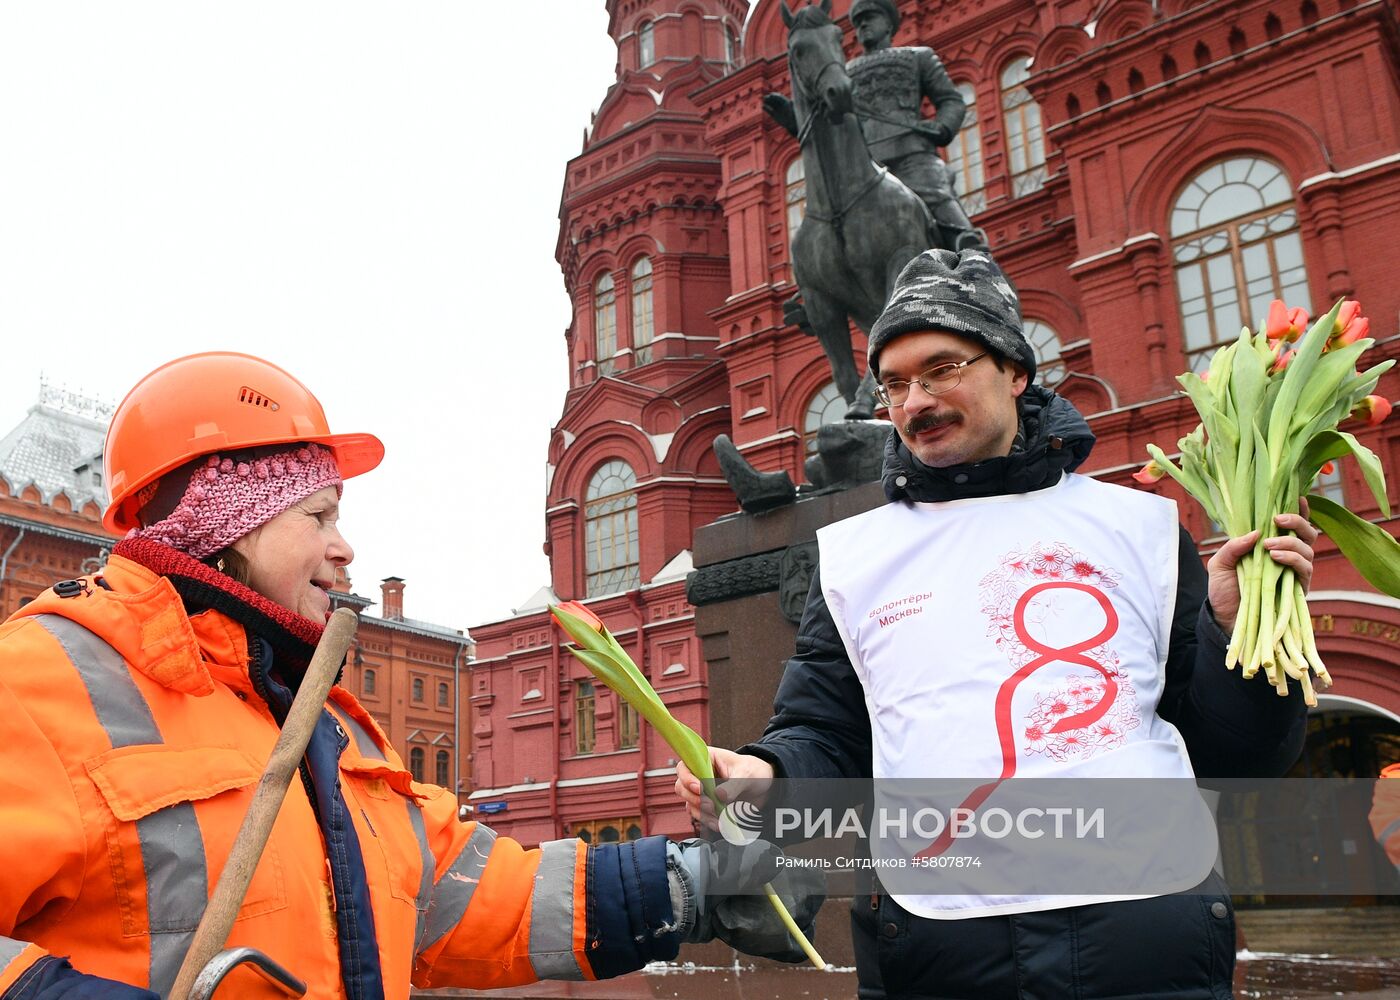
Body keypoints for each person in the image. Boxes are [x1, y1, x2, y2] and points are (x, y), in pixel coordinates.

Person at [0, 352, 806, 999]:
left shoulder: (322, 724)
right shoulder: (40, 679)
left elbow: (465, 895)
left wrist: (696, 883)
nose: (345, 547)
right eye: (317, 517)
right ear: (221, 527)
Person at [676, 249, 1317, 998]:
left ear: (1015, 369)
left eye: (943, 367)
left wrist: (1234, 635)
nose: (914, 401)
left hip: (1144, 942)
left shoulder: (1140, 528)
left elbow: (1239, 755)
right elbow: (828, 732)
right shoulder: (856, 557)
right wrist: (768, 774)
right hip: (940, 949)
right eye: (894, 383)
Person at [767, 0, 985, 252]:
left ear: (888, 23)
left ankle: (970, 251)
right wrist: (795, 122)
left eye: (870, 18)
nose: (863, 25)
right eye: (858, 22)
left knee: (937, 194)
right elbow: (827, 126)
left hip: (912, 157)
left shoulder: (918, 57)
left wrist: (943, 126)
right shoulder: (843, 75)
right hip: (866, 165)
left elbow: (951, 101)